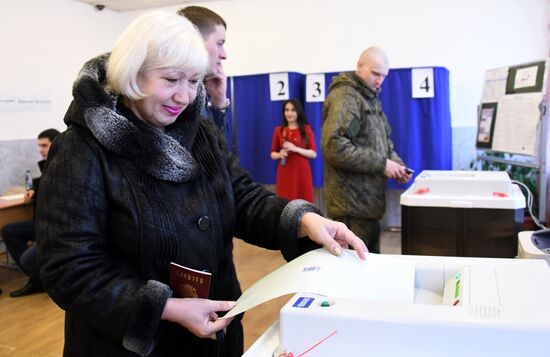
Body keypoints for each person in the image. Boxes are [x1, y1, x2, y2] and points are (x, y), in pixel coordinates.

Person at [35, 12, 367, 357]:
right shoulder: (82, 148)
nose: (183, 96)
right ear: (132, 73)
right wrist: (164, 307)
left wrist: (303, 220)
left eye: (194, 82)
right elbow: (68, 268)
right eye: (171, 79)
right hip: (130, 347)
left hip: (214, 335)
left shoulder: (202, 132)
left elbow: (241, 197)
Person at [321, 46, 412, 254]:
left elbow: (383, 144)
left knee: (369, 265)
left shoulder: (369, 98)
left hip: (367, 204)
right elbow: (334, 146)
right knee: (355, 269)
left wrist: (397, 166)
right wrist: (382, 165)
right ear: (360, 66)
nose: (380, 80)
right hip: (351, 207)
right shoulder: (346, 97)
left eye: (384, 76)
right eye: (375, 73)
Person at [1, 128, 59, 298]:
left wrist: (36, 189)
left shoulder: (63, 164)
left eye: (44, 145)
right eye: (38, 145)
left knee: (27, 259)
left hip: (54, 225)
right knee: (8, 230)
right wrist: (33, 190)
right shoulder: (47, 164)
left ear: (55, 144)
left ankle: (39, 278)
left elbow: (54, 189)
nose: (40, 149)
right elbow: (44, 183)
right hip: (41, 222)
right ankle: (37, 277)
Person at [177, 6, 231, 138]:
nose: (224, 55)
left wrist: (219, 102)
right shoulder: (176, 96)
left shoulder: (200, 93)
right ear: (196, 41)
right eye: (219, 43)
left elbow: (216, 151)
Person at [270, 99, 317, 203]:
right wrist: (280, 154)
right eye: (287, 110)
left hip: (301, 172)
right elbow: (272, 154)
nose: (289, 113)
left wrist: (295, 149)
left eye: (293, 110)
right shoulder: (279, 130)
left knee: (304, 201)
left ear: (298, 112)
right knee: (285, 201)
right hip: (285, 171)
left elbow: (313, 153)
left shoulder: (306, 129)